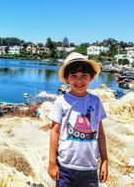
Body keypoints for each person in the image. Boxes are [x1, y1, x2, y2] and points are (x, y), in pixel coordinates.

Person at [48, 52, 108, 187]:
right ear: (66, 79)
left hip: (90, 168)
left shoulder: (95, 101)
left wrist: (104, 160)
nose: (79, 81)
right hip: (65, 168)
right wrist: (52, 162)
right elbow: (55, 132)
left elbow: (100, 132)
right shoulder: (61, 101)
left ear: (91, 78)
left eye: (84, 76)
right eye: (74, 76)